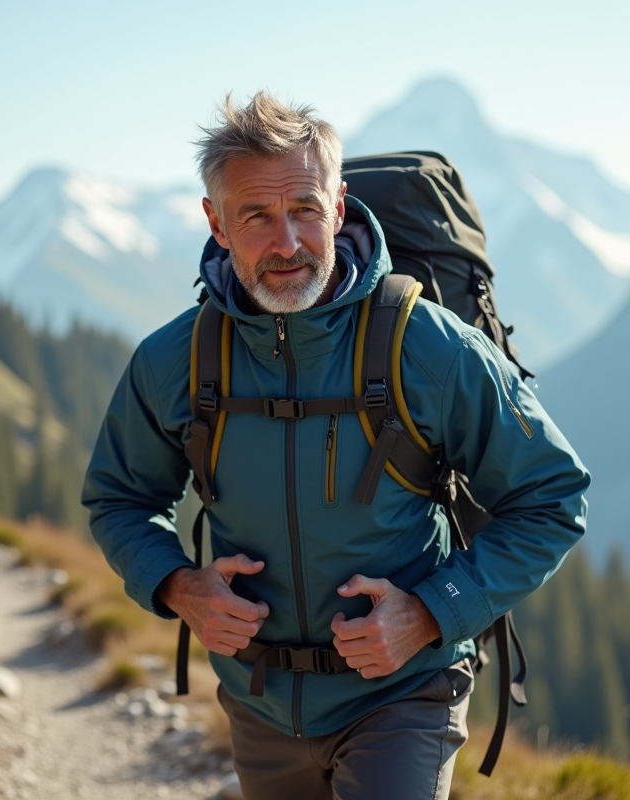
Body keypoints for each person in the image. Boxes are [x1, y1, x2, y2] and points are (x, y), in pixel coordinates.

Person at [82, 92, 590, 800]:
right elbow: (119, 498)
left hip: (405, 692)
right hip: (258, 701)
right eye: (256, 216)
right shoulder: (177, 361)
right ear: (215, 223)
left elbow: (553, 496)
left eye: (305, 210)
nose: (287, 243)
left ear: (340, 206)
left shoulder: (430, 348)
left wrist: (429, 612)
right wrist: (179, 586)